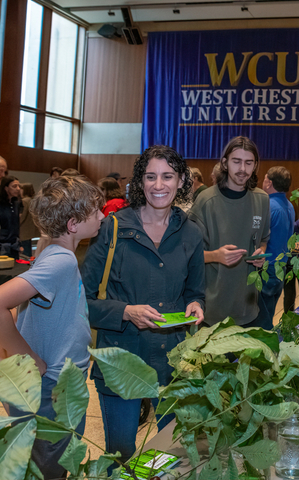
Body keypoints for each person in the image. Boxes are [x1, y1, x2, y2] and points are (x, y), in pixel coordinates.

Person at [81, 145, 205, 464]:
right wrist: (125, 312)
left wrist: (196, 306)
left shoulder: (191, 233)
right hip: (121, 360)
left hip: (173, 361)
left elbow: (196, 291)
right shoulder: (114, 227)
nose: (159, 185)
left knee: (171, 454)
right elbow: (83, 299)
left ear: (181, 182)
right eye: (150, 177)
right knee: (121, 456)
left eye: (167, 176)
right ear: (140, 182)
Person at [0, 176, 105, 479]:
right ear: (73, 224)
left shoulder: (52, 251)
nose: (102, 216)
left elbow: (25, 318)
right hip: (54, 391)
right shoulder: (61, 261)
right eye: (96, 211)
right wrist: (29, 358)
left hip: (53, 387)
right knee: (50, 471)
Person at [188, 136, 270, 326]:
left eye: (248, 163)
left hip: (249, 308)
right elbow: (188, 256)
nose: (242, 169)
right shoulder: (206, 202)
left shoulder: (262, 200)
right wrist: (216, 256)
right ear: (225, 163)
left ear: (255, 165)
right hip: (213, 311)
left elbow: (264, 240)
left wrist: (262, 253)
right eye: (237, 161)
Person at [250, 166, 294, 329]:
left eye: (264, 178)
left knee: (261, 322)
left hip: (266, 269)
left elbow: (255, 237)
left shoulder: (268, 206)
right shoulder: (289, 206)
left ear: (268, 182)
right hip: (280, 269)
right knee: (269, 315)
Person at [0, 176, 22, 258]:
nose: (18, 189)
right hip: (0, 246)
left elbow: (16, 225)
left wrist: (19, 243)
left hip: (14, 245)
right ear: (6, 188)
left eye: (19, 186)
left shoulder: (16, 203)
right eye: (14, 186)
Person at [19, 183, 39, 257]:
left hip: (24, 231)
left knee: (25, 254)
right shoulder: (34, 201)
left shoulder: (24, 201)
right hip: (32, 231)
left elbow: (22, 216)